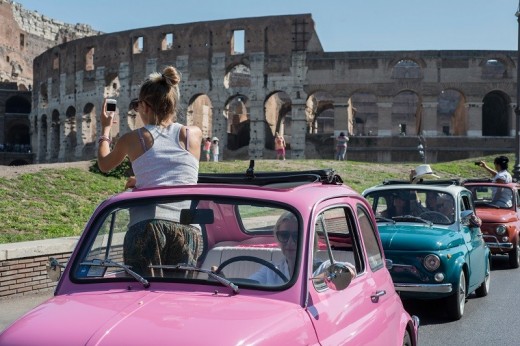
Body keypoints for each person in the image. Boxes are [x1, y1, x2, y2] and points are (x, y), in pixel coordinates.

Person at [97, 65, 202, 190]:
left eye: (138, 104)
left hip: (151, 209)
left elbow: (104, 164)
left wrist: (106, 128)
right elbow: (176, 173)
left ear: (145, 107)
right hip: (187, 209)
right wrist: (145, 179)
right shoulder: (195, 134)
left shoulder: (131, 140)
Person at [249, 211, 297, 285]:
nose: (290, 242)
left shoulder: (320, 268)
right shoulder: (271, 269)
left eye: (297, 236)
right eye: (284, 235)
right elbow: (248, 285)